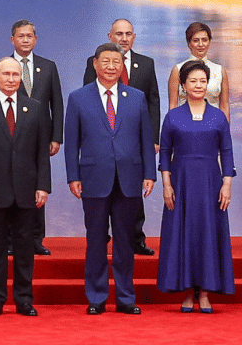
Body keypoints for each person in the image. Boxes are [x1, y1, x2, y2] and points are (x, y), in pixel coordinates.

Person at [64, 43, 156, 316]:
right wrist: (73, 176)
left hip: (129, 178)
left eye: (117, 62)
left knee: (125, 241)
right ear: (95, 64)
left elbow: (145, 138)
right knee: (95, 240)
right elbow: (72, 143)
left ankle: (126, 297)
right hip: (93, 177)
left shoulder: (136, 97)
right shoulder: (78, 97)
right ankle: (97, 296)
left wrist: (149, 174)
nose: (112, 66)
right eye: (106, 61)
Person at [0, 57, 51, 317]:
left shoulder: (35, 108)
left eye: (16, 75)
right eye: (6, 74)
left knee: (26, 248)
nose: (11, 79)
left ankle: (24, 299)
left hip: (27, 191)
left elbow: (41, 153)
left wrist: (43, 186)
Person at [158, 60, 235, 313]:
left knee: (207, 234)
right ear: (183, 85)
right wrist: (166, 186)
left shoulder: (218, 117)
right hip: (180, 182)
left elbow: (227, 152)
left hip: (211, 182)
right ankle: (187, 293)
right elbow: (165, 153)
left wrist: (227, 185)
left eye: (203, 81)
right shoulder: (172, 116)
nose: (199, 85)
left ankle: (204, 293)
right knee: (184, 234)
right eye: (193, 81)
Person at [83, 18, 160, 256]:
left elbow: (153, 102)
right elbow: (89, 101)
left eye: (128, 34)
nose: (124, 38)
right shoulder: (94, 63)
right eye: (119, 34)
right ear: (110, 36)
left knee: (132, 192)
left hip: (135, 141)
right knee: (103, 191)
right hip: (104, 140)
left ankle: (136, 238)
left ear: (134, 37)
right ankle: (102, 237)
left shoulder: (146, 64)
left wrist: (153, 138)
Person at [0, 20, 62, 256]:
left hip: (39, 139)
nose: (26, 40)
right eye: (21, 36)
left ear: (36, 39)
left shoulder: (48, 67)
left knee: (37, 187)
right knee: (9, 187)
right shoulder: (0, 67)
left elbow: (57, 105)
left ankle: (36, 239)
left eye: (30, 36)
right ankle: (9, 239)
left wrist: (56, 137)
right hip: (7, 138)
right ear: (12, 40)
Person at [167, 21, 230, 122]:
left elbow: (224, 106)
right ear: (189, 43)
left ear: (209, 42)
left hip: (213, 126)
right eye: (196, 40)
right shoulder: (178, 70)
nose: (201, 44)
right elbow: (173, 105)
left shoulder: (220, 70)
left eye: (204, 40)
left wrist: (225, 133)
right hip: (185, 125)